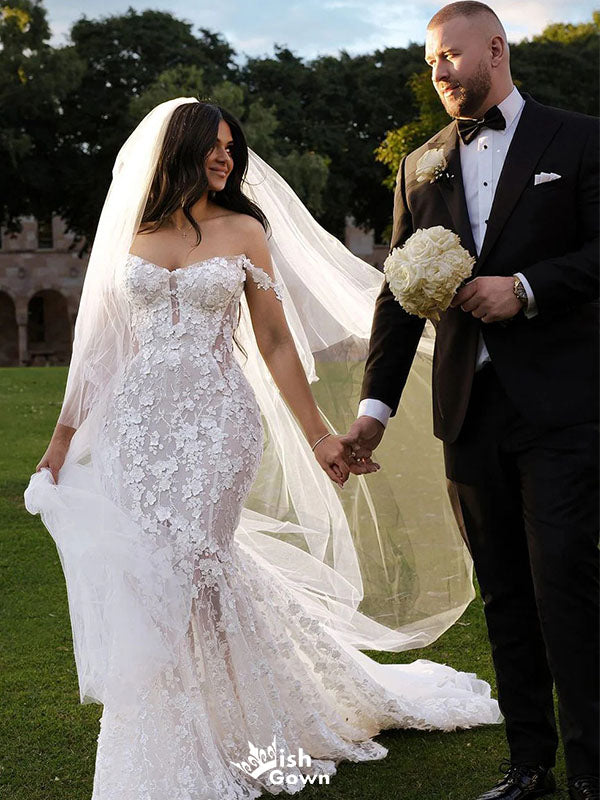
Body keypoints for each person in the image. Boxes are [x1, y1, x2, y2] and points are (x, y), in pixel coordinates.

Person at [24, 98, 500, 799]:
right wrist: (61, 442)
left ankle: (219, 724)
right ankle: (182, 713)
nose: (225, 157)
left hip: (218, 424)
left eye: (231, 147)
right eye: (213, 145)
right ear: (177, 149)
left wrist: (319, 436)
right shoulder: (131, 232)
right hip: (138, 429)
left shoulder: (245, 230)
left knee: (196, 562)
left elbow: (275, 341)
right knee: (154, 572)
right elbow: (99, 350)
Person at [343, 3, 599, 800]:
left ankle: (593, 772)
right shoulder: (418, 165)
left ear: (495, 48)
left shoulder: (580, 140)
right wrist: (374, 412)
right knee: (505, 594)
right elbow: (396, 297)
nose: (440, 72)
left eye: (450, 55)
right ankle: (530, 768)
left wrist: (526, 287)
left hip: (562, 408)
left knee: (567, 587)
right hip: (467, 413)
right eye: (431, 63)